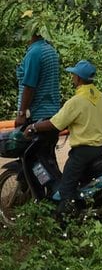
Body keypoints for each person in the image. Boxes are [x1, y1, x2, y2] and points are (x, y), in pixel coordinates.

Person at [26, 60, 102, 218]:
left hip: (82, 153)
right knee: (81, 180)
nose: (72, 77)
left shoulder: (76, 101)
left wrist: (33, 127)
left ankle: (64, 221)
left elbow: (55, 122)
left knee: (66, 188)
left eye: (73, 75)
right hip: (100, 147)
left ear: (78, 78)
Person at [15, 16, 62, 185]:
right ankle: (53, 193)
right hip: (51, 114)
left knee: (34, 161)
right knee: (47, 159)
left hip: (36, 116)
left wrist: (21, 113)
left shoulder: (34, 53)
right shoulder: (49, 50)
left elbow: (29, 86)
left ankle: (44, 196)